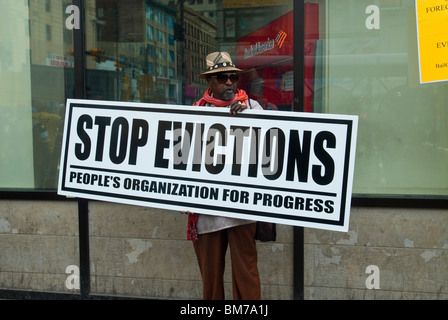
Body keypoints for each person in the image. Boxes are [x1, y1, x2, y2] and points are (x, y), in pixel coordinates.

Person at [183, 52, 263, 300]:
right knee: (211, 280)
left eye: (232, 77)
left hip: (241, 209)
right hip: (208, 212)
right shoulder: (194, 112)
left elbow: (272, 140)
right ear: (210, 82)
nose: (229, 82)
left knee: (246, 274)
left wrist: (248, 118)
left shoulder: (252, 107)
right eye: (221, 78)